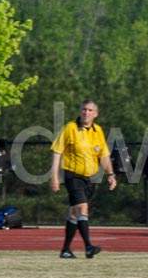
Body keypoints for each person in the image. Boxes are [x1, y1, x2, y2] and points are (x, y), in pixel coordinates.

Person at [50, 99, 117, 259]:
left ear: (96, 114)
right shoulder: (70, 128)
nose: (86, 113)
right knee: (83, 208)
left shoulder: (98, 131)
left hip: (89, 179)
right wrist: (54, 177)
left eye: (89, 110)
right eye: (84, 110)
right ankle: (88, 247)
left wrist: (110, 174)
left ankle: (65, 250)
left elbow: (104, 155)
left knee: (74, 213)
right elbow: (57, 152)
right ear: (80, 111)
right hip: (73, 176)